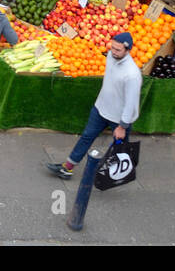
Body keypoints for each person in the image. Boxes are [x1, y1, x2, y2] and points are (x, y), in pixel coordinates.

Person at [46, 32, 143, 179]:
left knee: (120, 149)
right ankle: (67, 168)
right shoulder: (110, 56)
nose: (113, 52)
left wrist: (122, 126)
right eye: (112, 48)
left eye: (118, 50)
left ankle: (117, 175)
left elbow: (131, 102)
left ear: (128, 51)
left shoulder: (132, 74)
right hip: (101, 108)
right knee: (86, 137)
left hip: (119, 117)